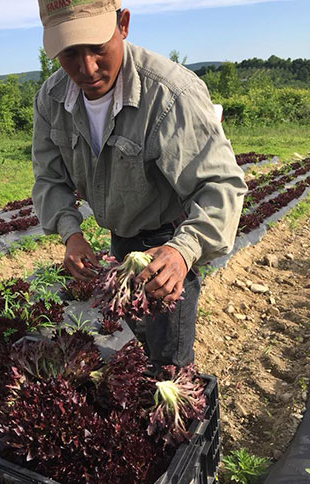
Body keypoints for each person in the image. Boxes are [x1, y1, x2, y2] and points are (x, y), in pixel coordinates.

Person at [32, 0, 247, 369]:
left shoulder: (169, 93)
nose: (86, 68)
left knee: (170, 362)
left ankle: (188, 419)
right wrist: (72, 234)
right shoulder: (52, 99)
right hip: (121, 242)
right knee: (140, 333)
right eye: (69, 53)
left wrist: (183, 251)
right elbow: (49, 178)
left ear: (124, 24)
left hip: (170, 241)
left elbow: (221, 185)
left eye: (98, 48)